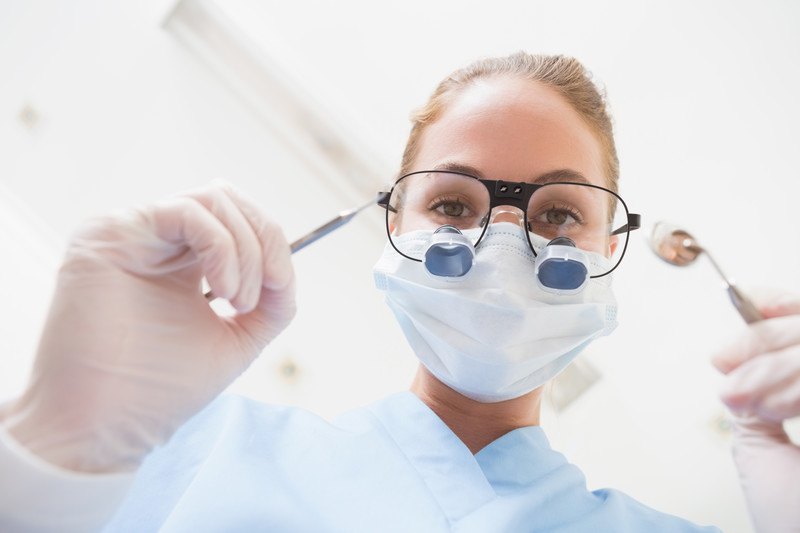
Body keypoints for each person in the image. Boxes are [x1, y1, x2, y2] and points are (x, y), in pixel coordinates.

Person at [0, 52, 797, 532]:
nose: (506, 244)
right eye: (453, 203)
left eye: (558, 214)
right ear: (394, 225)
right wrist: (50, 443)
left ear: (610, 248)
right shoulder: (189, 450)